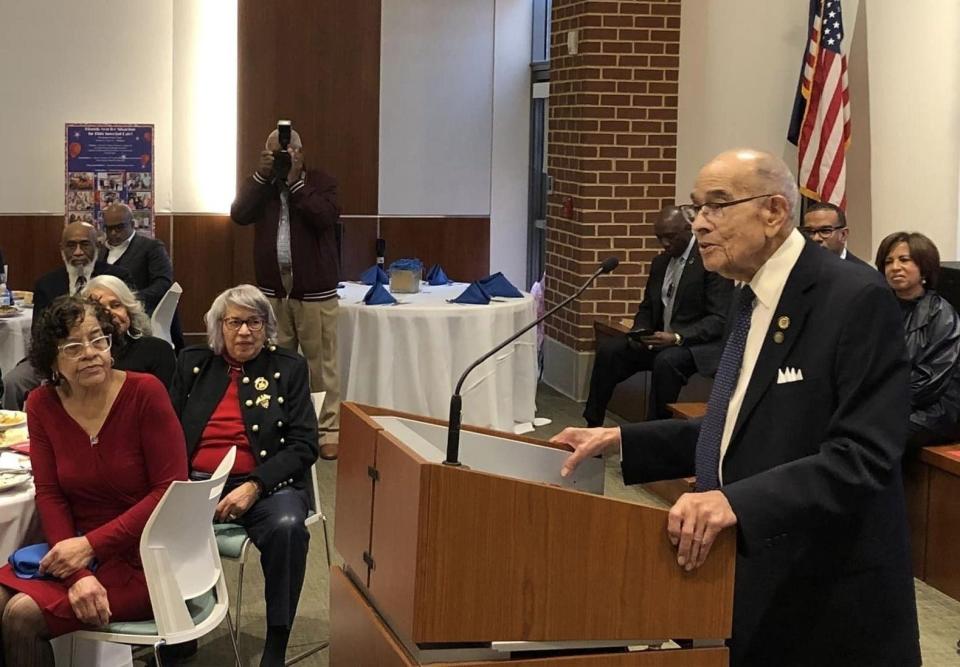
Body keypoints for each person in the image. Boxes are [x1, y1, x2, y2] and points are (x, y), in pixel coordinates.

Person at [554, 149, 920, 666]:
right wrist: (619, 440)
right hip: (754, 581)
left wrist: (735, 502)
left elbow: (865, 456)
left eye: (718, 206)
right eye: (697, 206)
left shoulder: (853, 298)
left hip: (827, 600)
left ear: (773, 211)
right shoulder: (748, 298)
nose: (699, 223)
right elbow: (742, 426)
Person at [0, 296, 187, 666]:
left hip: (148, 557)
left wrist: (90, 546)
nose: (89, 352)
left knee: (22, 617)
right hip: (77, 553)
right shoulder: (41, 404)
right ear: (52, 360)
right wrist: (78, 572)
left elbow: (171, 491)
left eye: (98, 339)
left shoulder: (145, 392)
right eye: (72, 346)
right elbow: (50, 496)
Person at [170, 285, 318, 667]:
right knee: (148, 522)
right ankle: (179, 624)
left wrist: (255, 486)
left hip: (268, 487)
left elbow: (303, 445)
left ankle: (277, 641)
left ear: (267, 327)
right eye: (234, 322)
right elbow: (167, 433)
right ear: (219, 326)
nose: (245, 332)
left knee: (288, 528)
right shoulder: (192, 363)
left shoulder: (289, 367)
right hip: (195, 482)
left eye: (255, 322)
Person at [230, 127, 342, 460]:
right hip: (273, 292)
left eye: (288, 151)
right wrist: (261, 177)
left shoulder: (320, 182)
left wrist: (295, 183)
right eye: (275, 153)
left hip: (314, 292)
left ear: (301, 153)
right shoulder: (262, 187)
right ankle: (283, 426)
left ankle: (328, 429)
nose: (282, 157)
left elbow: (324, 218)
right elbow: (239, 214)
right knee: (276, 362)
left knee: (321, 364)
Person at [583, 205, 732, 424]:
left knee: (667, 361)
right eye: (659, 238)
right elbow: (647, 307)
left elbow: (718, 320)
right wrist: (639, 331)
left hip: (695, 345)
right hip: (660, 339)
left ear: (688, 229)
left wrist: (677, 338)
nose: (665, 244)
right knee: (610, 350)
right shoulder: (661, 263)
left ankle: (654, 429)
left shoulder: (708, 261)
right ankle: (592, 423)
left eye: (670, 237)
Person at [2, 223, 131, 410]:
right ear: (62, 249)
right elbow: (39, 335)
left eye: (85, 244)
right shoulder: (46, 284)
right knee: (13, 381)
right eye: (71, 246)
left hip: (103, 353)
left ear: (97, 246)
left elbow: (125, 322)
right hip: (54, 354)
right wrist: (57, 363)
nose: (78, 252)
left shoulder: (116, 277)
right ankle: (14, 436)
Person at [876, 231, 960, 448]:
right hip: (887, 405)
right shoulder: (878, 308)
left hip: (934, 409)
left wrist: (880, 405)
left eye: (904, 260)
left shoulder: (941, 314)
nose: (895, 267)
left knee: (875, 435)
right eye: (888, 261)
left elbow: (930, 381)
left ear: (924, 268)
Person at [82, 275, 176, 388]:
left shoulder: (157, 350)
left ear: (129, 310)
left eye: (116, 305)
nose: (110, 313)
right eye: (100, 308)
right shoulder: (84, 355)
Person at [798, 200, 873, 268]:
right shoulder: (795, 270)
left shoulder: (864, 277)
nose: (815, 238)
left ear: (843, 235)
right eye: (809, 232)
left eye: (825, 231)